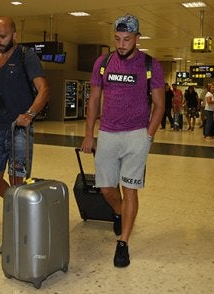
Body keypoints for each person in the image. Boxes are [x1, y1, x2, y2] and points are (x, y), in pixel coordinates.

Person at [80, 14, 165, 268]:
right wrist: (88, 133)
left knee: (129, 189)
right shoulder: (103, 63)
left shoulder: (151, 65)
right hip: (107, 133)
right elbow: (94, 101)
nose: (121, 44)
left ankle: (123, 243)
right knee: (106, 188)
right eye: (117, 39)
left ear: (137, 38)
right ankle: (119, 212)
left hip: (136, 135)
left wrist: (148, 136)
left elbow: (159, 105)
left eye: (127, 39)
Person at [0, 16, 49, 198]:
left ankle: (18, 215)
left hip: (19, 128)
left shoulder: (26, 55)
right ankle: (16, 206)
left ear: (14, 35)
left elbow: (44, 90)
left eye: (3, 37)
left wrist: (29, 115)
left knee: (16, 180)